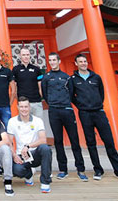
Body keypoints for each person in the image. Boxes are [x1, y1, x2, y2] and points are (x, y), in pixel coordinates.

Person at [71, 53, 118, 182]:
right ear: (76, 64)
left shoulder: (96, 77)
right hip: (85, 114)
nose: (83, 63)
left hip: (99, 112)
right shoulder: (73, 79)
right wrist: (81, 106)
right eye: (80, 62)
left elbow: (101, 93)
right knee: (91, 143)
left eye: (85, 61)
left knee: (109, 141)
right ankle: (98, 169)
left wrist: (97, 104)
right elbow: (72, 96)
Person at [42, 52, 87, 181]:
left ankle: (80, 169)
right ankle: (63, 169)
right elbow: (45, 94)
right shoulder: (46, 77)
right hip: (54, 111)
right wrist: (53, 103)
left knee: (74, 140)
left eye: (54, 60)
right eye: (50, 60)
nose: (52, 62)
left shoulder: (67, 77)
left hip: (67, 110)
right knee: (58, 141)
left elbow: (71, 94)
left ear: (59, 61)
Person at [6, 96, 53, 194]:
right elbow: (9, 142)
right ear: (18, 107)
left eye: (26, 106)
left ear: (29, 107)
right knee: (16, 170)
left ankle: (45, 182)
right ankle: (29, 174)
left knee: (45, 149)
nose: (24, 109)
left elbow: (43, 139)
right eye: (21, 107)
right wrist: (14, 155)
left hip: (35, 153)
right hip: (21, 155)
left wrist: (28, 146)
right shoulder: (12, 121)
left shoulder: (38, 121)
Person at [12, 47, 44, 120]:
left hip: (36, 102)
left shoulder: (37, 69)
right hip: (23, 104)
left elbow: (40, 87)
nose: (26, 56)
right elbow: (14, 87)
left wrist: (42, 97)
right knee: (25, 125)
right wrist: (19, 100)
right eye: (23, 55)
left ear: (30, 55)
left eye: (27, 54)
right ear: (20, 56)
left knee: (38, 124)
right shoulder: (15, 69)